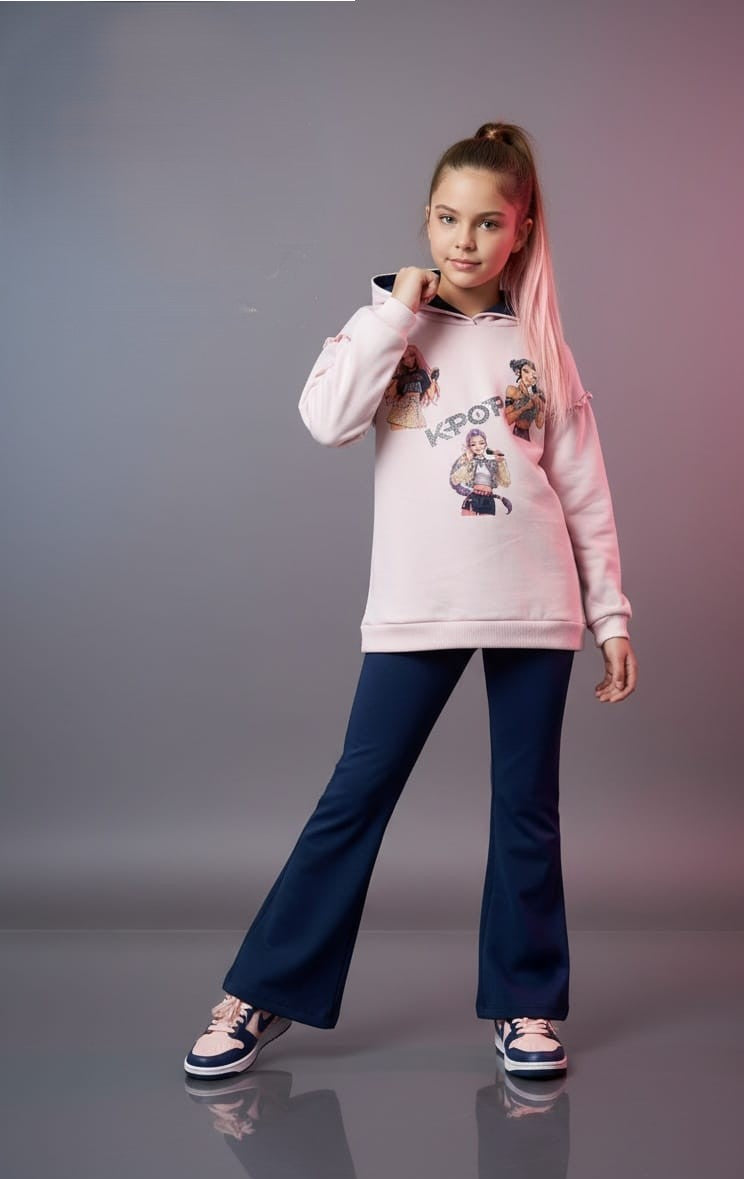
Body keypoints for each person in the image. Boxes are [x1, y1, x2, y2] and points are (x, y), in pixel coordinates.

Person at [184, 120, 638, 1083]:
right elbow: (327, 422)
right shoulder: (385, 325)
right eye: (447, 218)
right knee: (356, 796)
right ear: (426, 219)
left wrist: (611, 617)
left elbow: (584, 490)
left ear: (521, 231)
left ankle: (525, 1003)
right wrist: (395, 309)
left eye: (487, 223)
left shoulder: (541, 347)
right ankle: (261, 991)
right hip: (418, 603)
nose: (464, 240)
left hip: (535, 602)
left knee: (527, 808)